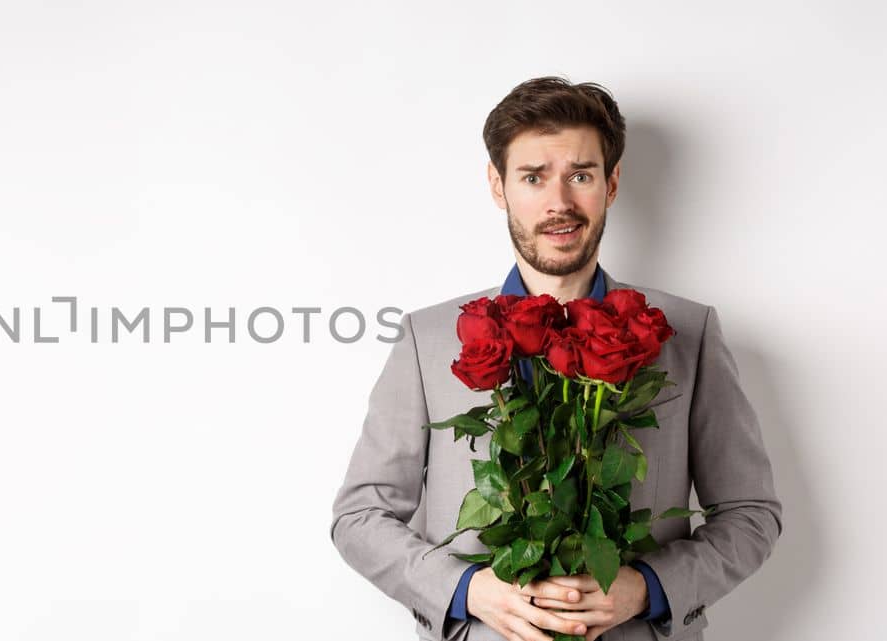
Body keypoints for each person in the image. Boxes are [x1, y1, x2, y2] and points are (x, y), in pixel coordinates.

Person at [328, 77, 782, 641]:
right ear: (498, 185)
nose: (559, 202)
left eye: (581, 175)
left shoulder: (688, 332)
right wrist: (467, 592)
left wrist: (646, 587)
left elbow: (751, 513)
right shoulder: (428, 337)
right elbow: (360, 517)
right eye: (533, 177)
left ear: (612, 184)